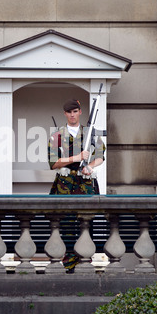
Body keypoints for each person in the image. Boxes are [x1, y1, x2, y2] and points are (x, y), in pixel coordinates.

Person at [48, 98, 105, 271]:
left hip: (85, 184)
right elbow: (53, 163)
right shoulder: (57, 135)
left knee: (86, 222)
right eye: (69, 112)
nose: (72, 115)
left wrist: (89, 166)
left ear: (80, 112)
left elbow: (100, 157)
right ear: (65, 114)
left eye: (75, 111)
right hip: (65, 185)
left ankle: (84, 262)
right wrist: (76, 158)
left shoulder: (91, 133)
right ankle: (68, 265)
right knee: (65, 223)